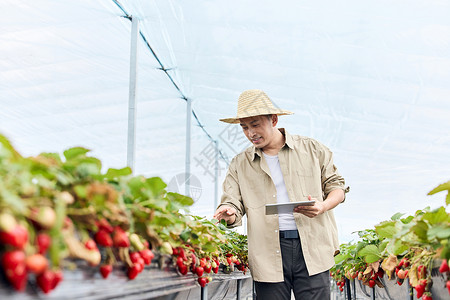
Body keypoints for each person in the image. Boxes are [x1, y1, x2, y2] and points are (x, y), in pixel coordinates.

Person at [213, 89, 348, 300]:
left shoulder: (312, 149)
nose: (250, 133)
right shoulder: (240, 163)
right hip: (267, 251)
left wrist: (323, 205)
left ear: (273, 120)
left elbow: (336, 187)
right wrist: (228, 212)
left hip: (312, 247)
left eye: (256, 124)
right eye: (245, 127)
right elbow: (233, 203)